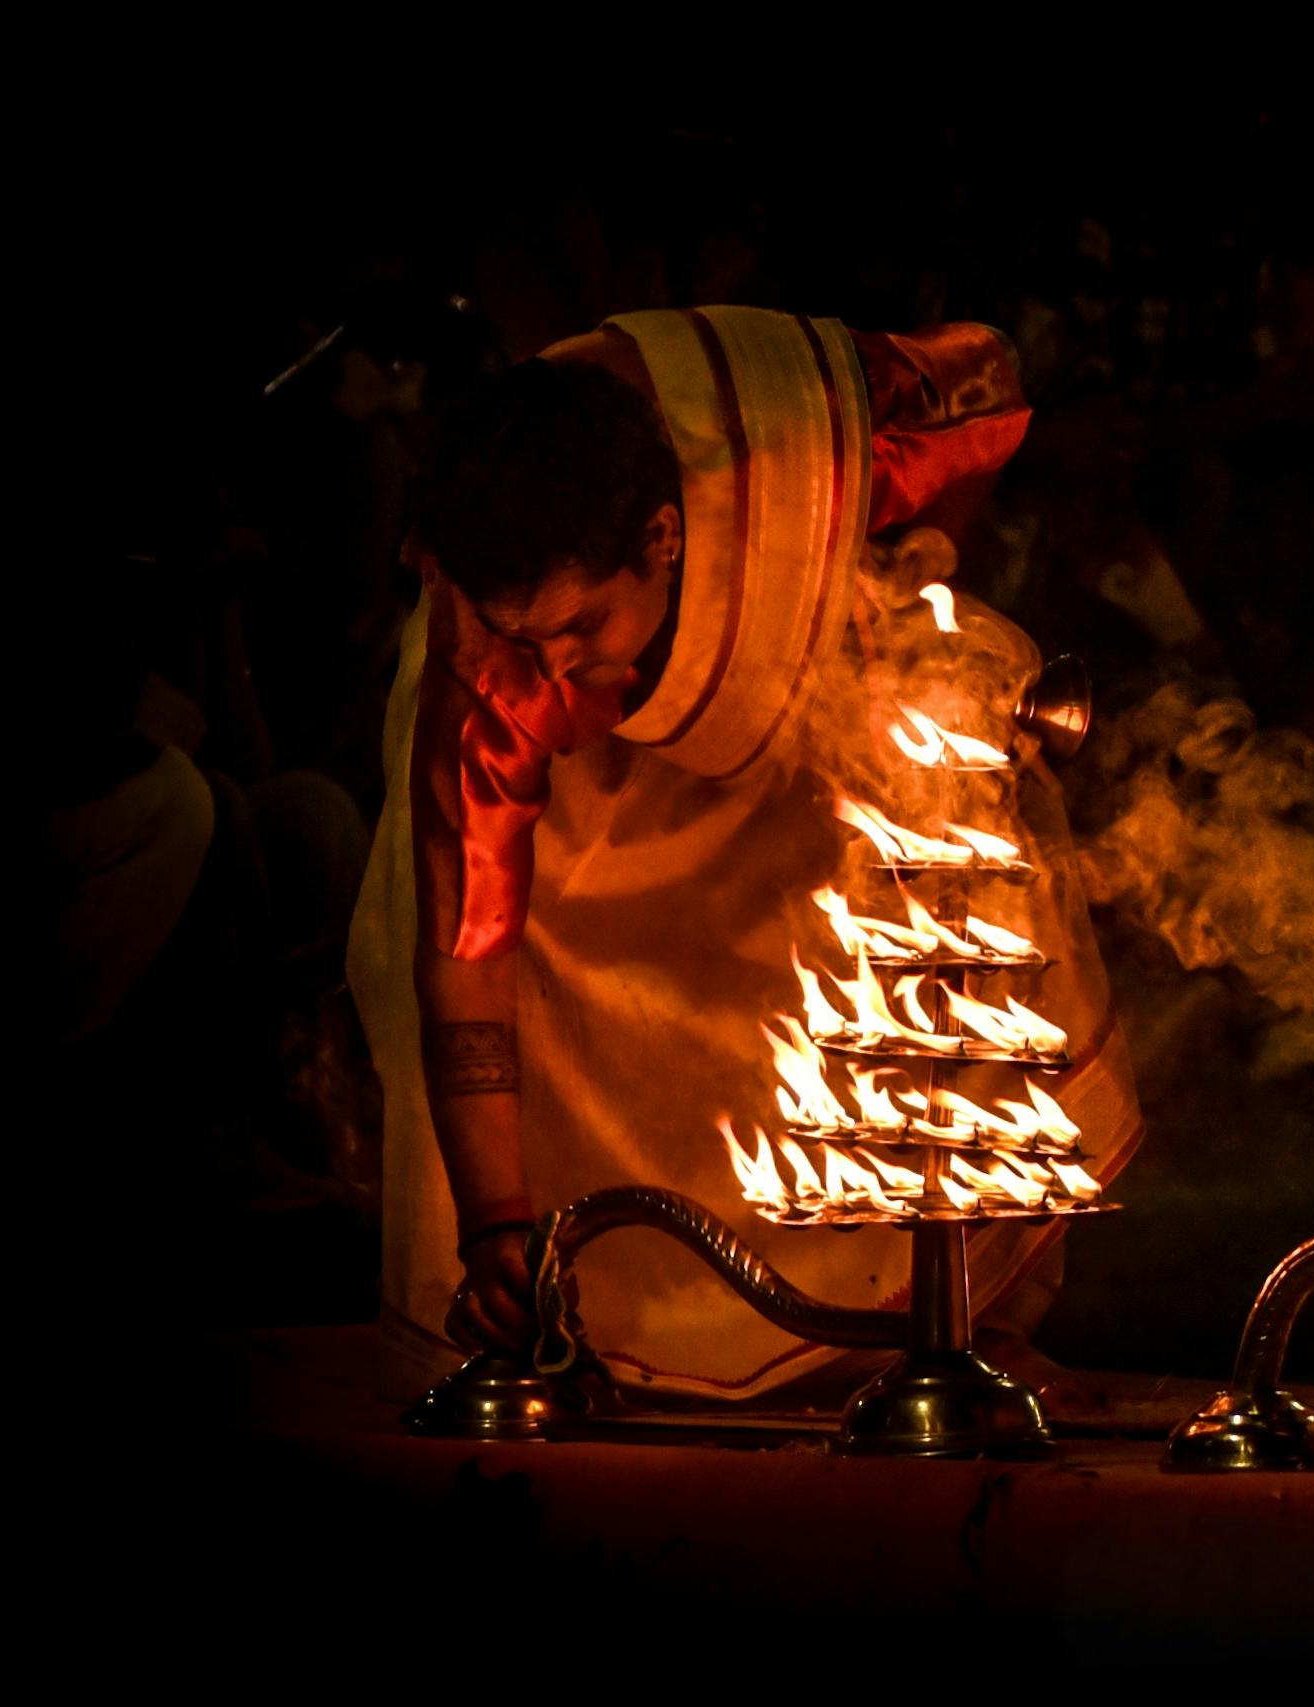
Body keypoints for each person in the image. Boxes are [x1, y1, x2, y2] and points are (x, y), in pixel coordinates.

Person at [347, 308, 1143, 1401]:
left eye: (580, 627)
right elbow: (465, 950)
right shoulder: (496, 667)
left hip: (808, 632)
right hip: (581, 776)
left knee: (954, 758)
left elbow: (986, 384)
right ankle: (630, 1329)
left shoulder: (834, 455)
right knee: (569, 975)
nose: (555, 664)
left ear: (667, 541)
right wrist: (494, 1228)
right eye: (525, 635)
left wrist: (854, 608)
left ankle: (950, 1316)